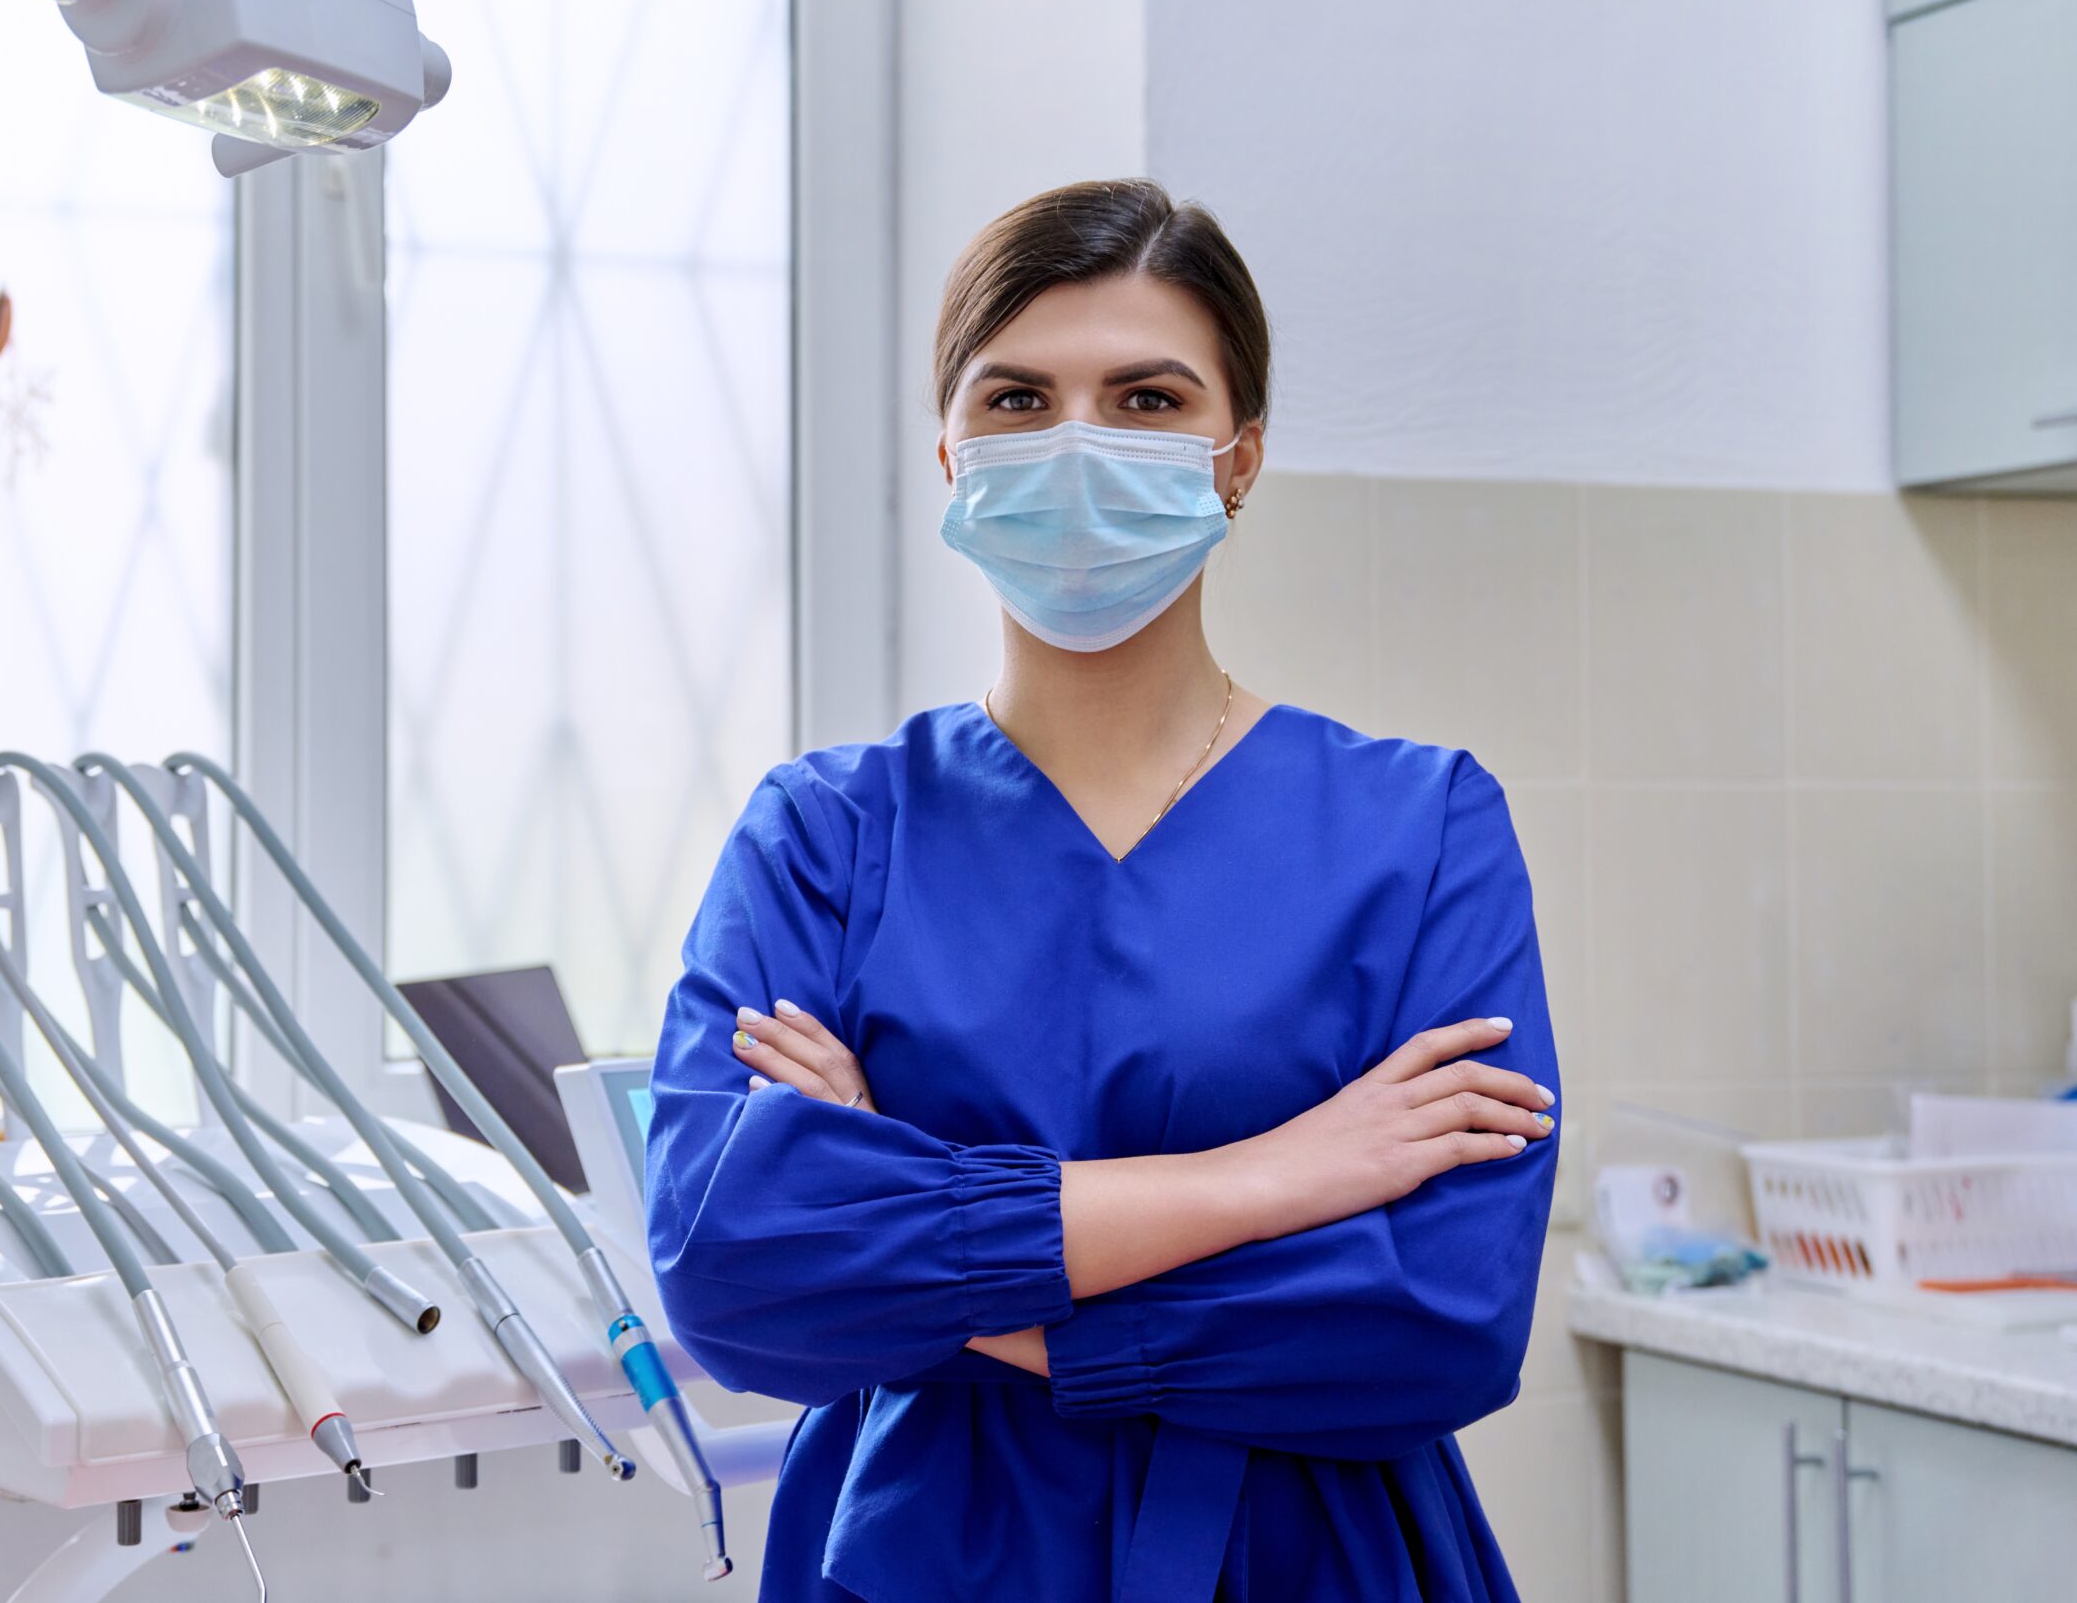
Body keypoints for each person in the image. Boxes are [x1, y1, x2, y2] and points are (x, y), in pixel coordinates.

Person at [644, 178, 1560, 1603]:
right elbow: (738, 1273)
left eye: (1145, 399)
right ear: (949, 452)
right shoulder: (826, 836)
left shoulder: (1421, 825)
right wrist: (1280, 1176)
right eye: (1017, 399)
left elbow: (1439, 1317)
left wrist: (952, 1279)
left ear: (1239, 457)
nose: (1078, 444)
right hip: (925, 1557)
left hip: (1312, 1559)